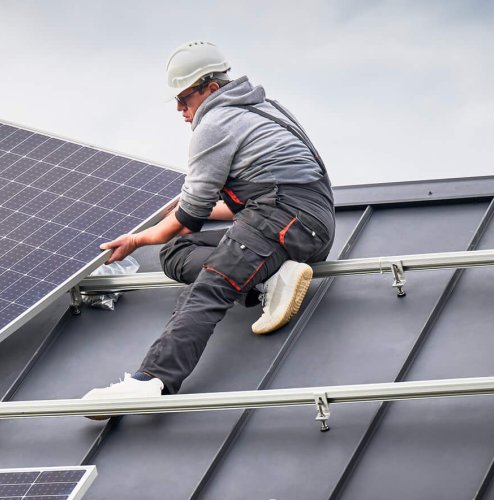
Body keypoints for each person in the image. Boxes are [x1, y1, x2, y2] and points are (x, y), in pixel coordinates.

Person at [84, 41, 335, 408]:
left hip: (283, 218)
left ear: (212, 89)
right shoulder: (263, 108)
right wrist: (171, 213)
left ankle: (151, 380)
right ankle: (268, 277)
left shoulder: (216, 123)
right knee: (175, 252)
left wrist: (137, 240)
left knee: (208, 289)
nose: (180, 109)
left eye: (184, 98)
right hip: (306, 220)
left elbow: (190, 217)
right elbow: (236, 203)